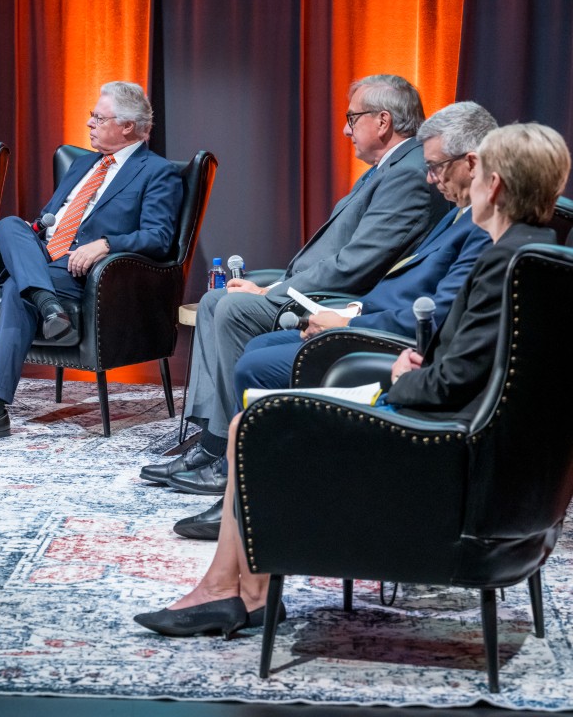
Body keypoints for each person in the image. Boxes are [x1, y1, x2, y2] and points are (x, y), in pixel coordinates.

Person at [133, 122, 569, 638]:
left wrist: (403, 376)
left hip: (443, 449)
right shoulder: (541, 258)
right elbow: (481, 372)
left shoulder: (504, 265)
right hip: (481, 452)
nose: (459, 187)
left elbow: (451, 384)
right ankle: (234, 593)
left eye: (474, 179)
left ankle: (237, 595)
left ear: (493, 186)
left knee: (255, 424)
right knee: (249, 424)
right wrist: (425, 368)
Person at [173, 101, 498, 540]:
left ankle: (247, 490)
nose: (430, 176)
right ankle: (236, 470)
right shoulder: (460, 210)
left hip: (381, 336)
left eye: (437, 166)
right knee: (245, 332)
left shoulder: (480, 222)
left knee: (250, 350)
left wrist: (343, 321)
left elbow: (418, 304)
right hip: (365, 313)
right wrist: (348, 313)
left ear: (472, 163)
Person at [139, 74, 448, 496]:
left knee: (231, 308)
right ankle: (213, 445)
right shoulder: (389, 168)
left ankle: (232, 459)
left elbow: (357, 265)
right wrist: (280, 283)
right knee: (216, 300)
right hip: (316, 289)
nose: (345, 129)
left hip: (344, 300)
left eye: (351, 118)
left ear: (382, 120)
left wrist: (273, 292)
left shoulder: (408, 173)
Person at [0, 81, 183, 442]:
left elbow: (159, 238)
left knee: (15, 288)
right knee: (9, 225)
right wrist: (32, 229)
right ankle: (47, 303)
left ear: (127, 126)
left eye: (99, 118)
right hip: (44, 256)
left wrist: (105, 244)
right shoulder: (82, 164)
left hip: (85, 270)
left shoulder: (156, 172)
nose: (90, 124)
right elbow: (49, 218)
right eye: (92, 117)